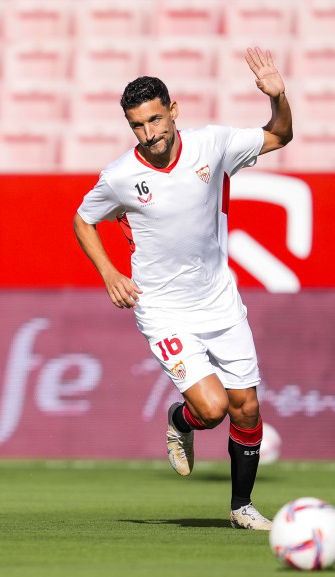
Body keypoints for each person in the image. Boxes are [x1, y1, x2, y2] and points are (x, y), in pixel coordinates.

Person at [73, 47, 292, 531]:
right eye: (137, 125)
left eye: (155, 119)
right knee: (211, 409)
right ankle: (181, 421)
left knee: (248, 406)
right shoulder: (120, 177)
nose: (149, 133)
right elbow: (83, 220)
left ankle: (241, 507)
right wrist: (109, 272)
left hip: (219, 300)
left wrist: (279, 98)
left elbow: (280, 134)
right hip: (163, 308)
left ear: (173, 111)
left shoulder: (211, 145)